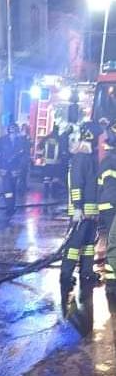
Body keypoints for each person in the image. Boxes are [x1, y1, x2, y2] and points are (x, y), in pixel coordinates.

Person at [60, 121, 101, 317]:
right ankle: (66, 275)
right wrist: (77, 208)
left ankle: (86, 271)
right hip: (82, 211)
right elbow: (77, 184)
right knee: (74, 245)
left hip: (91, 212)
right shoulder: (80, 159)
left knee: (88, 245)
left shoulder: (91, 158)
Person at [0, 123, 25, 217]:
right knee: (7, 189)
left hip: (15, 169)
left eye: (14, 133)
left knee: (13, 188)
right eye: (11, 133)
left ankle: (12, 205)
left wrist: (22, 167)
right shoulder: (2, 140)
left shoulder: (21, 141)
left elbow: (24, 155)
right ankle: (9, 207)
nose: (13, 135)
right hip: (4, 169)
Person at [98, 119, 116, 307]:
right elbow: (109, 189)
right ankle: (112, 283)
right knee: (114, 243)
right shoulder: (110, 161)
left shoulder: (108, 160)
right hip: (111, 207)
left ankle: (112, 282)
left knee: (113, 243)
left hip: (109, 206)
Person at [18, 123, 32, 193]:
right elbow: (28, 146)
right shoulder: (23, 137)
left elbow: (30, 146)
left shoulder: (25, 137)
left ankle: (22, 187)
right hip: (22, 159)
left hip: (24, 158)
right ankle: (21, 188)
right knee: (22, 174)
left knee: (23, 174)